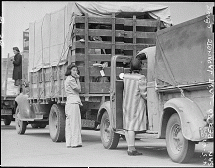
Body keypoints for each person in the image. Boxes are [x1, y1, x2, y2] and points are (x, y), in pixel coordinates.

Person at [123, 58, 147, 156]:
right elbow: (144, 93)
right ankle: (132, 149)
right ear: (140, 67)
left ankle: (129, 147)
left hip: (127, 103)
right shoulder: (141, 78)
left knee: (127, 127)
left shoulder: (126, 77)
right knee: (132, 127)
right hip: (136, 104)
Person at [64, 64, 83, 148]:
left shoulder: (68, 79)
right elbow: (79, 89)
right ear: (70, 71)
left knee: (69, 124)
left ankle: (69, 142)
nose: (75, 72)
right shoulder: (71, 79)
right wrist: (78, 79)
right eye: (74, 70)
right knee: (75, 123)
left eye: (76, 70)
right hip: (73, 103)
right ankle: (75, 142)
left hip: (69, 102)